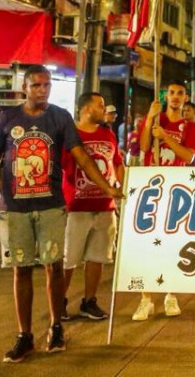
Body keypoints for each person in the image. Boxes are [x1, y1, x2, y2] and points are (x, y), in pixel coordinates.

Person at [0, 65, 121, 364]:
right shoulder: (7, 119)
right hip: (15, 209)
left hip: (51, 207)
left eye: (47, 85)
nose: (43, 90)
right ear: (25, 87)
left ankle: (56, 327)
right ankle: (24, 335)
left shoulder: (60, 117)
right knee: (21, 270)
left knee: (54, 268)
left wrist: (108, 186)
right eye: (37, 85)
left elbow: (81, 157)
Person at [133, 81, 195, 321]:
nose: (175, 97)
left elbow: (190, 155)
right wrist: (151, 120)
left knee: (173, 245)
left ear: (185, 98)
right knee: (147, 245)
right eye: (171, 93)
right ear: (165, 96)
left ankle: (171, 294)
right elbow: (143, 147)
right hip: (152, 189)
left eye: (180, 93)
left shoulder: (190, 127)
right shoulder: (155, 119)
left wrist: (166, 138)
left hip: (177, 192)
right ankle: (146, 299)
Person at [61, 92, 124, 323]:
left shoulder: (107, 133)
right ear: (86, 108)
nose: (104, 110)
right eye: (100, 106)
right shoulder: (70, 135)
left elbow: (117, 162)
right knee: (69, 258)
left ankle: (89, 300)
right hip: (77, 205)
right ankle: (59, 300)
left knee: (98, 256)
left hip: (105, 206)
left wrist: (121, 186)